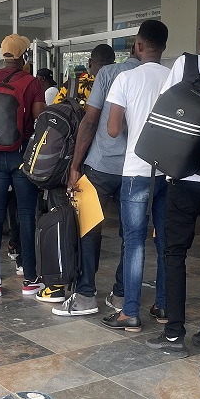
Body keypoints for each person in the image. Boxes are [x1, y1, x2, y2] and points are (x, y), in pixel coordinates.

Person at [146, 11, 200, 352]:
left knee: (174, 254)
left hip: (181, 176)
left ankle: (174, 332)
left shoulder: (185, 64)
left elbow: (164, 111)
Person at [57, 41, 138, 316]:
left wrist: (74, 166)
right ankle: (121, 294)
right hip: (136, 169)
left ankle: (86, 294)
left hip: (100, 165)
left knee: (90, 230)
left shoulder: (107, 74)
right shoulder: (161, 75)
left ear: (137, 45)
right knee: (131, 235)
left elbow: (90, 121)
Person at [102, 20, 171, 332]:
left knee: (134, 241)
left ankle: (129, 312)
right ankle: (164, 305)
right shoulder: (175, 78)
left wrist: (134, 125)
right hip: (169, 171)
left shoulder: (126, 78)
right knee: (166, 241)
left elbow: (113, 129)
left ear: (138, 46)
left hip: (136, 171)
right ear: (163, 46)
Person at [36, 44, 116, 305]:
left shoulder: (74, 84)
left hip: (70, 164)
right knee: (94, 229)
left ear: (92, 62)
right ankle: (91, 285)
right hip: (101, 165)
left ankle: (61, 285)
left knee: (67, 224)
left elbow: (53, 120)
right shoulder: (120, 82)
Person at [0, 34, 45, 298]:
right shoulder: (32, 82)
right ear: (24, 56)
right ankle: (29, 279)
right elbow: (41, 121)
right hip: (21, 155)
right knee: (26, 216)